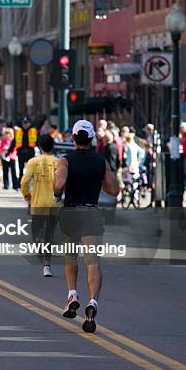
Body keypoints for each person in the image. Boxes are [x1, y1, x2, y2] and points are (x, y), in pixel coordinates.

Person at [54, 120, 119, 333]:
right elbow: (114, 190)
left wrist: (57, 192)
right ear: (91, 139)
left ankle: (72, 294)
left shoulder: (65, 161)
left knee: (71, 259)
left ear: (74, 138)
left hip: (71, 213)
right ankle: (93, 302)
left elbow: (60, 183)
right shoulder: (101, 162)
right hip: (91, 213)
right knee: (93, 263)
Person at [20, 134, 60, 277]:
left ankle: (39, 248)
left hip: (37, 203)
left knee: (36, 231)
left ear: (40, 147)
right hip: (54, 204)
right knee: (49, 234)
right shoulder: (59, 162)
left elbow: (24, 181)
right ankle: (47, 265)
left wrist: (26, 195)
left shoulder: (33, 162)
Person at [15, 117, 38, 183]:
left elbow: (37, 141)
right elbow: (14, 142)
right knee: (20, 170)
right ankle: (20, 184)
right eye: (24, 123)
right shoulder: (19, 131)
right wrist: (9, 152)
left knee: (30, 170)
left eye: (26, 123)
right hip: (21, 153)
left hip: (30, 153)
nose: (25, 125)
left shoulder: (33, 131)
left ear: (30, 123)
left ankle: (30, 183)